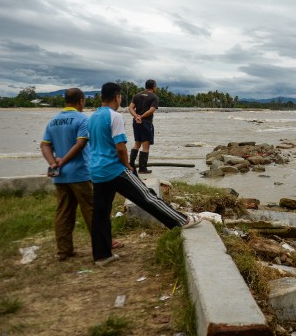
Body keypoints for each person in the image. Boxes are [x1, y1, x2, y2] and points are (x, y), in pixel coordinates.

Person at [87, 82, 201, 266]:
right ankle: (181, 220)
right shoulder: (114, 116)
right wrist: (128, 166)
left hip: (97, 171)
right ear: (117, 97)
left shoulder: (92, 117)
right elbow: (120, 147)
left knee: (100, 212)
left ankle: (101, 255)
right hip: (115, 169)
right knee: (148, 196)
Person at [40, 88, 94, 261]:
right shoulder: (81, 119)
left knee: (63, 212)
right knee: (92, 210)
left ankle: (64, 251)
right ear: (81, 101)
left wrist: (54, 163)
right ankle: (102, 245)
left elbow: (44, 145)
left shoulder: (53, 121)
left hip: (60, 175)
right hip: (80, 173)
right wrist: (64, 160)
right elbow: (80, 144)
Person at [129, 79, 159, 174]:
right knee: (145, 145)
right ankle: (142, 168)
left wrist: (136, 116)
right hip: (146, 122)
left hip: (136, 122)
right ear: (153, 87)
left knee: (137, 143)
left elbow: (130, 108)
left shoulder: (137, 95)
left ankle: (131, 165)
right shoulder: (154, 97)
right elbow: (151, 110)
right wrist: (141, 117)